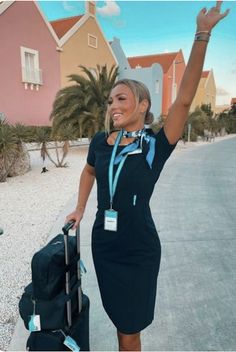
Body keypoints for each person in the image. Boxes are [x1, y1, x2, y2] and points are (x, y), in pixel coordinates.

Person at [65, 2, 229, 350]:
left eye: (121, 98)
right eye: (110, 101)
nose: (113, 106)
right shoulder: (100, 142)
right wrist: (80, 208)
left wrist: (202, 35)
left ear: (143, 105)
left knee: (130, 330)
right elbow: (89, 170)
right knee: (119, 321)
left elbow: (183, 101)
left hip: (138, 249)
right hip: (105, 246)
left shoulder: (154, 145)